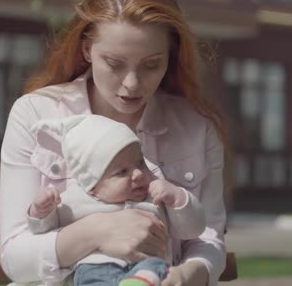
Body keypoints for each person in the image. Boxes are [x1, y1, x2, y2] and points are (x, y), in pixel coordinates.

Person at [0, 0, 227, 286]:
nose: (132, 84)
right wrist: (98, 231)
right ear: (86, 50)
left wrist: (191, 274)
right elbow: (15, 258)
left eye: (151, 65)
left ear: (171, 56)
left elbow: (208, 240)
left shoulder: (196, 128)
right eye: (114, 64)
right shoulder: (35, 114)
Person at [27, 114, 206, 286]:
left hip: (147, 263)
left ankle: (140, 282)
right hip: (97, 267)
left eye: (140, 163)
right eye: (122, 172)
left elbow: (192, 230)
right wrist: (41, 211)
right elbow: (43, 232)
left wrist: (178, 199)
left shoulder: (156, 196)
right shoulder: (76, 201)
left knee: (158, 270)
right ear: (92, 186)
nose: (137, 174)